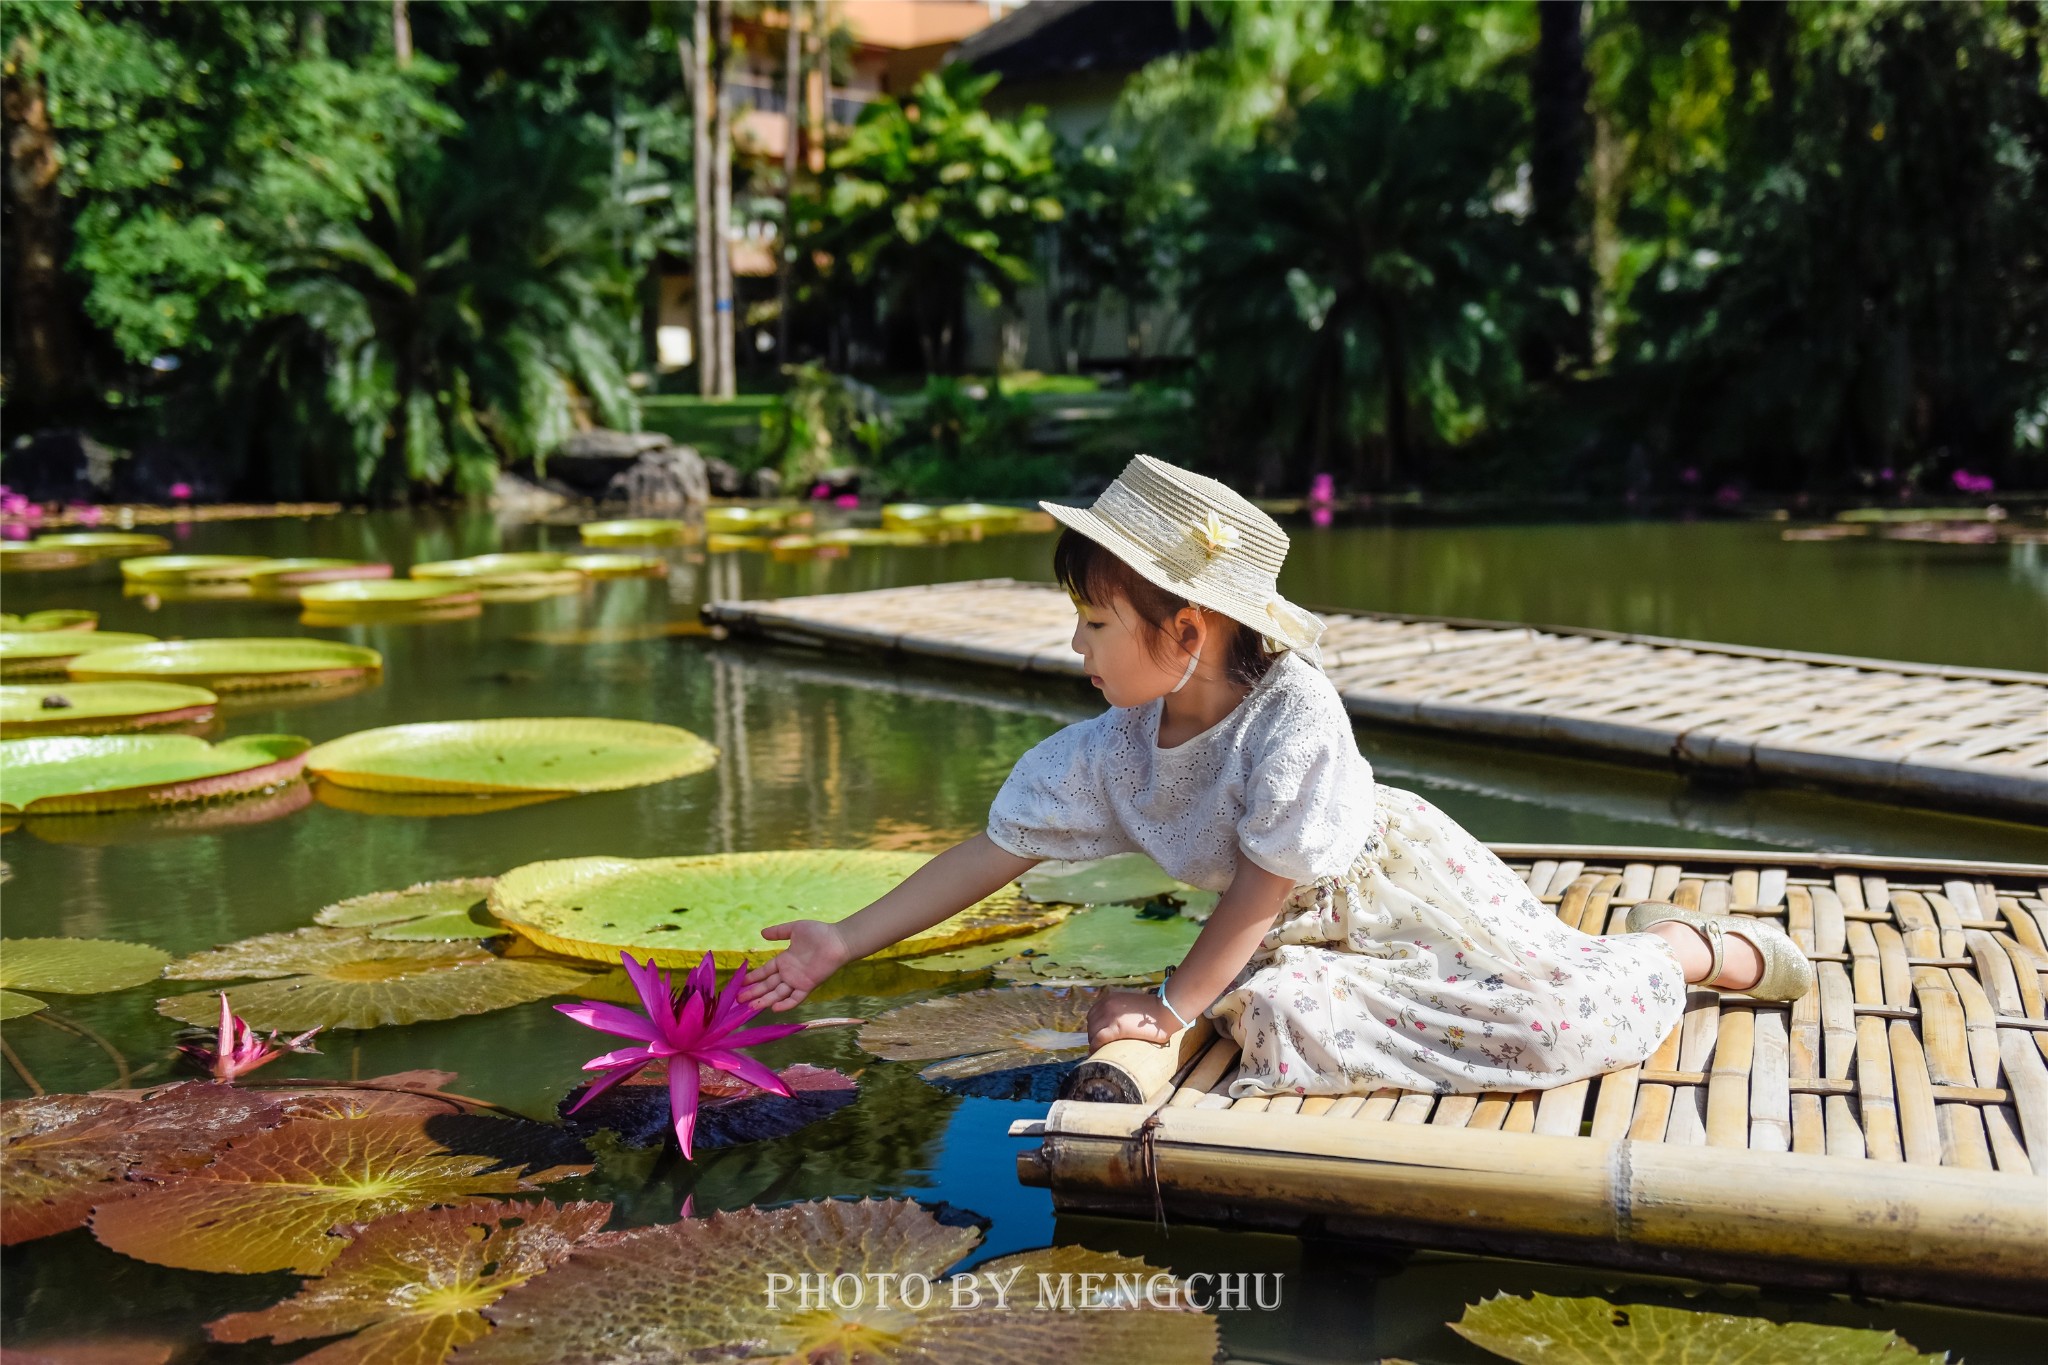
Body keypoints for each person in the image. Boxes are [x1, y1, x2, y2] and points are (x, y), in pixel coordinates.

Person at [739, 455, 1813, 1098]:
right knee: (1285, 1006)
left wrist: (1165, 1005)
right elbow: (992, 851)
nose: (1076, 648)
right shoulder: (1116, 745)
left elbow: (1260, 889)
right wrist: (842, 940)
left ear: (1188, 629)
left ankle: (1681, 950)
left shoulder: (1293, 715)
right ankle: (1256, 997)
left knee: (1552, 1021)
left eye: (1096, 622)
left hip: (1399, 898)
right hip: (1284, 939)